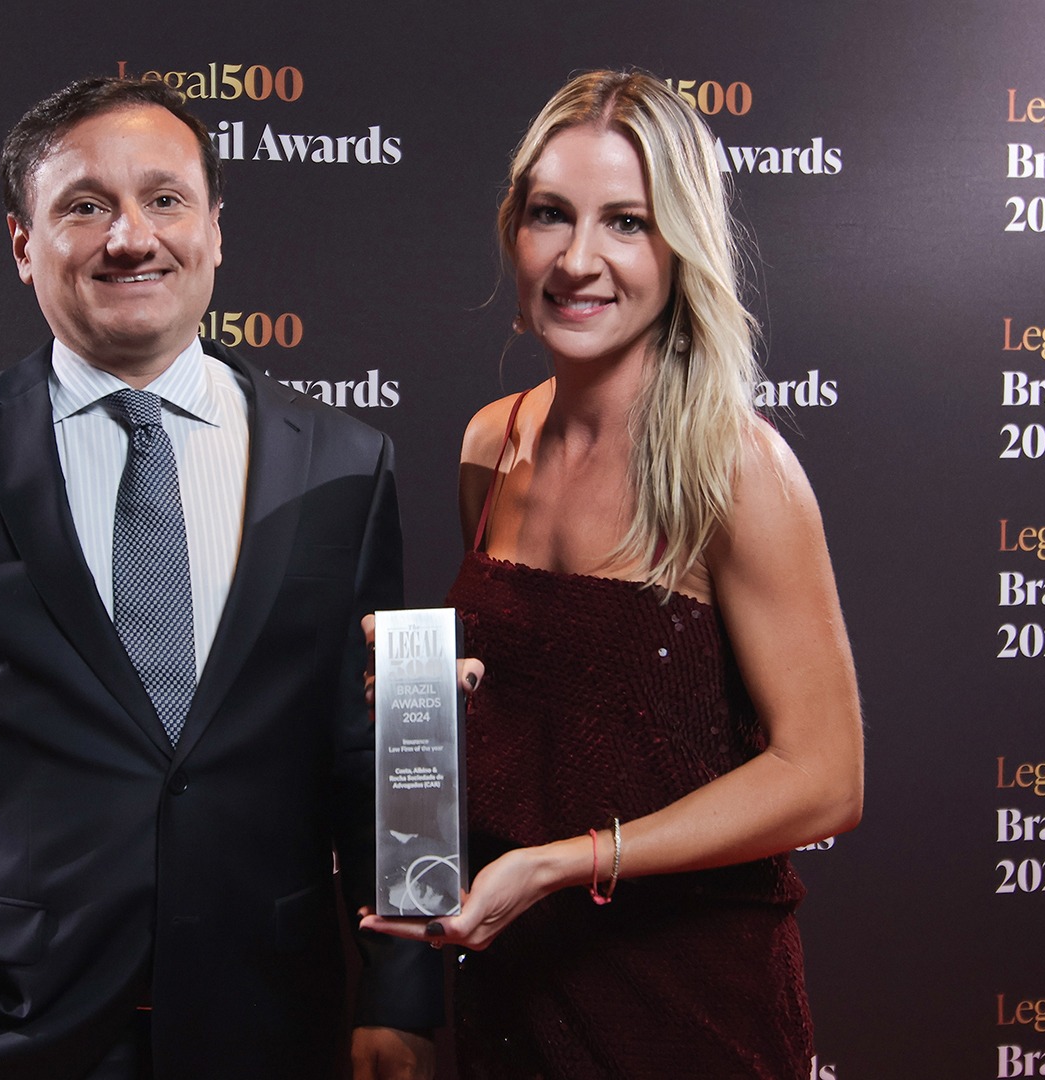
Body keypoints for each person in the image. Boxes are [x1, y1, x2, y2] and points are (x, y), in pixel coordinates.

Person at [0, 76, 441, 1080]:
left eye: (165, 199)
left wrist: (402, 995)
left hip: (272, 1026)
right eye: (85, 206)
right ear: (24, 244)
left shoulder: (347, 466)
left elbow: (379, 761)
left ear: (216, 229)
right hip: (1, 1029)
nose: (130, 238)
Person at [361, 70, 864, 1078]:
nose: (577, 260)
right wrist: (427, 706)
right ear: (514, 229)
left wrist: (571, 863)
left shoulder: (735, 468)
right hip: (512, 1001)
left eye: (626, 222)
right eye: (551, 214)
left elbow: (825, 779)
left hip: (687, 1012)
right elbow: (556, 713)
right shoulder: (492, 443)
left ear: (680, 247)